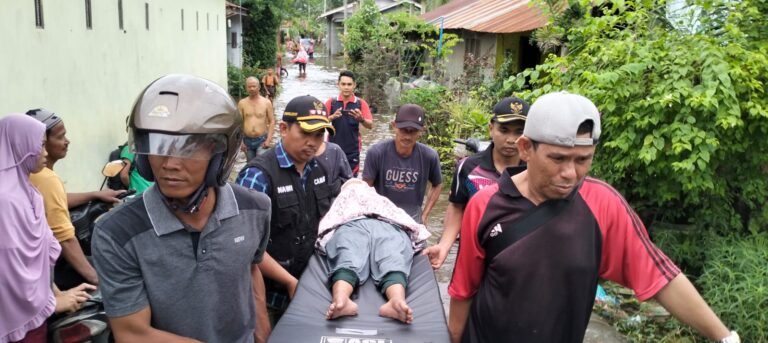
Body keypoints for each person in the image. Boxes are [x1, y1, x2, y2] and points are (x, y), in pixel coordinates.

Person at [447, 91, 741, 343]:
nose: (570, 174)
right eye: (557, 158)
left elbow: (661, 277)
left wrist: (725, 337)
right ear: (526, 148)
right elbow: (464, 290)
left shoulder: (603, 204)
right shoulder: (485, 204)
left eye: (582, 160)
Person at [91, 74, 272, 342]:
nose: (170, 164)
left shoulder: (255, 209)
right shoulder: (116, 234)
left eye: (188, 148)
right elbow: (132, 333)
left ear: (219, 155)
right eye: (158, 147)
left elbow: (251, 268)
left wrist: (263, 330)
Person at [236, 95, 338, 325]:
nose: (313, 142)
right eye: (305, 133)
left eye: (319, 135)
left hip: (309, 288)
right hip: (268, 298)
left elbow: (325, 227)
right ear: (283, 128)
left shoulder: (319, 171)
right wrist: (290, 282)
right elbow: (244, 245)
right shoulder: (258, 176)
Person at [0, 114, 94, 343]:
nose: (44, 152)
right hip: (18, 323)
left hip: (36, 315)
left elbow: (35, 261)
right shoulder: (6, 200)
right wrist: (53, 302)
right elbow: (10, 268)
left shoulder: (28, 191)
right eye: (39, 144)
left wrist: (57, 295)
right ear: (19, 145)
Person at [423, 97, 529, 269]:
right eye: (504, 130)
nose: (511, 139)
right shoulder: (469, 167)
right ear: (491, 128)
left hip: (519, 262)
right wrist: (444, 246)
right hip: (473, 258)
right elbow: (457, 208)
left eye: (519, 132)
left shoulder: (534, 171)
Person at [26, 108, 125, 289]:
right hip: (47, 269)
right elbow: (64, 238)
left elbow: (48, 201)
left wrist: (95, 194)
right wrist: (96, 279)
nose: (67, 141)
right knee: (116, 268)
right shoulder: (46, 177)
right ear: (41, 143)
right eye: (60, 137)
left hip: (26, 266)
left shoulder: (24, 172)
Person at [317, 179, 431, 324]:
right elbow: (405, 220)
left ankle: (341, 299)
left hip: (352, 225)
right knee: (392, 257)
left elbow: (327, 225)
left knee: (347, 255)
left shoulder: (343, 198)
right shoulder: (380, 199)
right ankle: (396, 300)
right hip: (387, 224)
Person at [362, 104, 442, 224]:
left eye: (413, 131)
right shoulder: (376, 152)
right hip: (381, 216)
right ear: (394, 126)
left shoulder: (429, 156)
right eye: (403, 130)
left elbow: (437, 184)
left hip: (412, 218)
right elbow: (365, 189)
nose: (407, 136)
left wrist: (424, 215)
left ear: (422, 131)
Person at [325, 70, 374, 176]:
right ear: (338, 85)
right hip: (333, 148)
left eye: (349, 84)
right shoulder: (331, 102)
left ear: (354, 85)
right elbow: (319, 122)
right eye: (343, 84)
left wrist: (361, 119)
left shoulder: (360, 103)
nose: (346, 87)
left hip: (353, 150)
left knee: (351, 181)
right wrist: (332, 117)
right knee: (333, 180)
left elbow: (370, 125)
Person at [238, 76, 275, 162]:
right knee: (250, 165)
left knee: (261, 164)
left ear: (259, 87)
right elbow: (239, 124)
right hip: (247, 140)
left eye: (254, 86)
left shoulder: (266, 102)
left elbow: (272, 121)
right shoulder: (242, 103)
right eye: (249, 86)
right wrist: (240, 142)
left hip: (261, 140)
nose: (251, 88)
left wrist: (268, 140)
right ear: (246, 88)